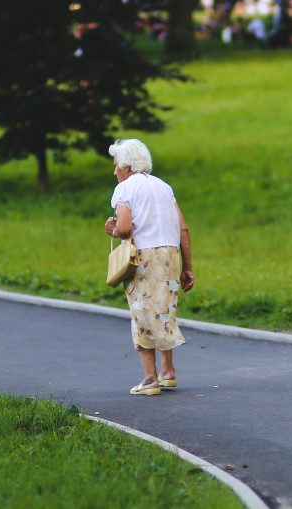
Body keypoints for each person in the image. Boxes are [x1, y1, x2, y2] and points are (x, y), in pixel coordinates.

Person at [103, 139, 195, 396]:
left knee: (142, 314)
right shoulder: (164, 187)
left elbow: (124, 228)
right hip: (170, 254)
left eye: (116, 166)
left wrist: (112, 229)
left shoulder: (124, 189)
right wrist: (187, 267)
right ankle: (168, 373)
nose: (114, 172)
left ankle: (149, 379)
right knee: (164, 312)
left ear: (127, 166)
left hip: (144, 257)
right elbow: (183, 228)